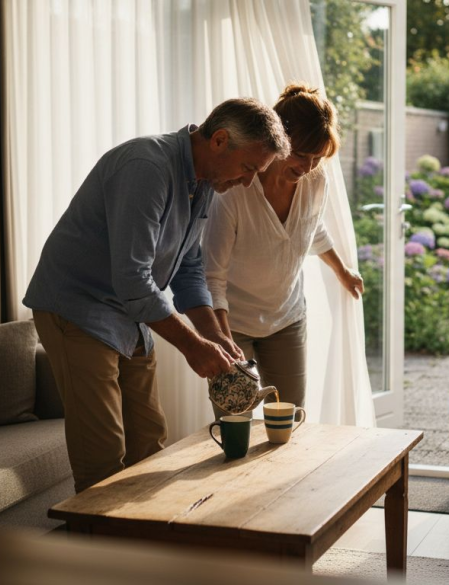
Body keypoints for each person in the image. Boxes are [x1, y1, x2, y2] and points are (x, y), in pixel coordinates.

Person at [24, 98, 290, 492]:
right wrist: (193, 346)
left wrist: (215, 333)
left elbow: (188, 267)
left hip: (130, 311)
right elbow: (133, 277)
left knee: (149, 439)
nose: (248, 181)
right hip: (78, 307)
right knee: (102, 454)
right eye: (249, 168)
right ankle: (100, 550)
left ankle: (146, 543)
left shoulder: (204, 182)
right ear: (219, 140)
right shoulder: (147, 167)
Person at [203, 84, 363, 416]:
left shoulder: (316, 182)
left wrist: (342, 271)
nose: (308, 166)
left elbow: (310, 228)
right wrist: (222, 339)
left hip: (286, 318)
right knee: (236, 422)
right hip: (235, 322)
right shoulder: (235, 190)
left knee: (291, 419)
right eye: (301, 154)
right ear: (279, 140)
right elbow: (212, 277)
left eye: (318, 157)